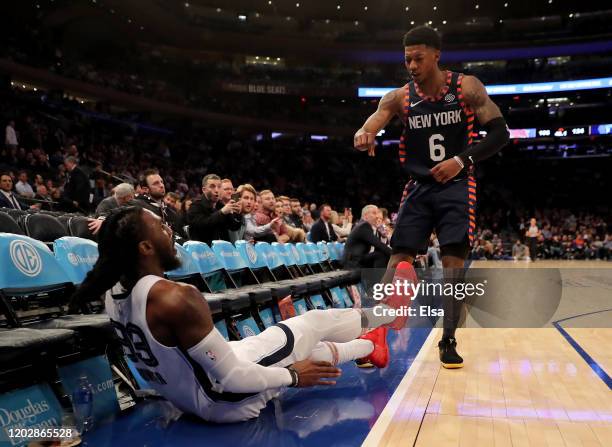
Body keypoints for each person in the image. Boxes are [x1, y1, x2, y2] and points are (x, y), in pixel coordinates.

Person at [69, 207, 416, 423]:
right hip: (226, 402)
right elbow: (234, 380)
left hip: (188, 397)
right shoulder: (175, 298)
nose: (170, 231)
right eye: (161, 228)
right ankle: (387, 313)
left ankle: (370, 348)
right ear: (144, 248)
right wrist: (294, 377)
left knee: (282, 347)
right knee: (310, 325)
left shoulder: (111, 290)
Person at [353, 26, 509, 368]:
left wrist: (460, 160)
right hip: (419, 186)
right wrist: (364, 133)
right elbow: (373, 121)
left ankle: (448, 338)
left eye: (418, 58)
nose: (411, 65)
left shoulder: (466, 86)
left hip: (457, 185)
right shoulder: (399, 97)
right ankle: (375, 333)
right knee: (399, 259)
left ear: (437, 56)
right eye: (407, 59)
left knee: (453, 264)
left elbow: (500, 133)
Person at [187, 174, 242, 244]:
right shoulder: (195, 206)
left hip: (221, 250)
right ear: (204, 190)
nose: (216, 190)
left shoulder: (221, 206)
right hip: (202, 251)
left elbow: (234, 227)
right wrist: (221, 213)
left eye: (219, 187)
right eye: (212, 186)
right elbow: (202, 225)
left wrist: (238, 214)